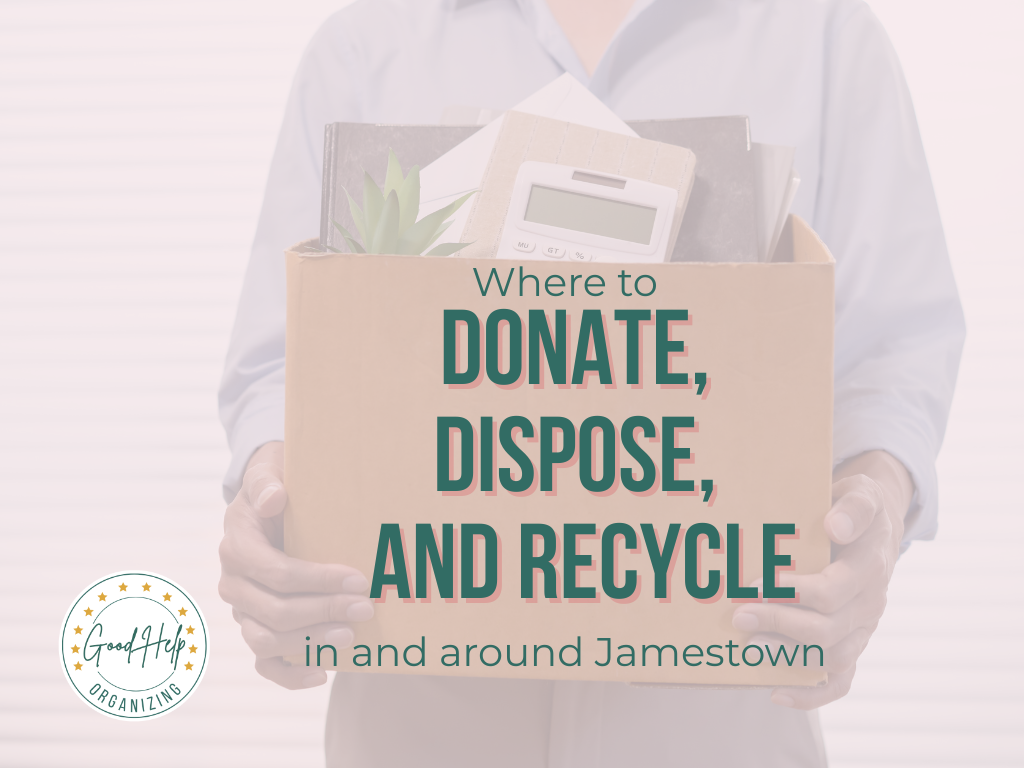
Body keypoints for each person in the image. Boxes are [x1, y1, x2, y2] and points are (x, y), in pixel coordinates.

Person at [217, 0, 965, 765]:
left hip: (723, 723)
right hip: (418, 724)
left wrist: (877, 502)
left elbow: (891, 351)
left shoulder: (827, 38)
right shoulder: (364, 47)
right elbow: (283, 361)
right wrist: (276, 508)